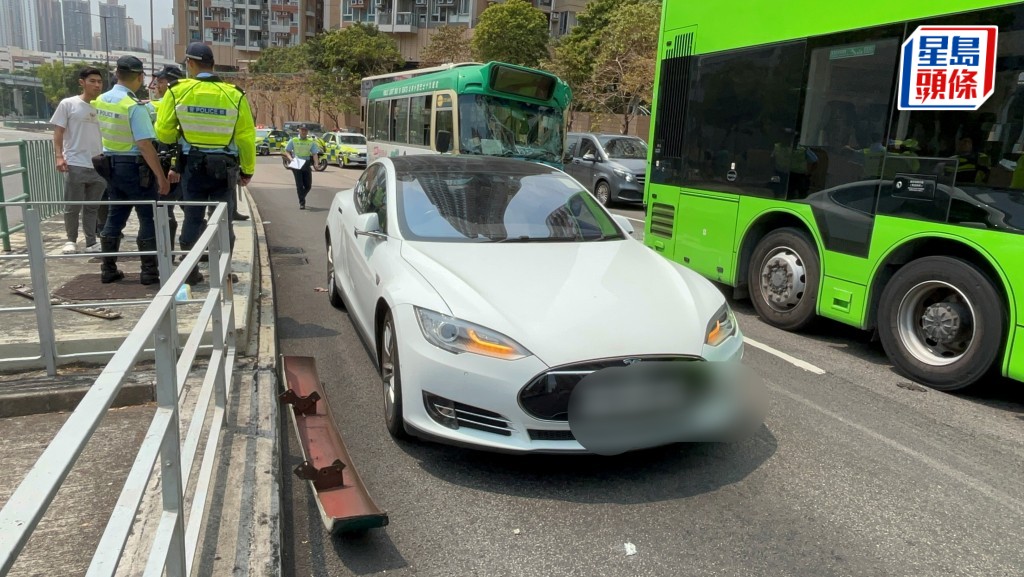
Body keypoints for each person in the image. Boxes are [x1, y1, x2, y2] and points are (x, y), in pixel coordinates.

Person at [155, 42, 256, 285]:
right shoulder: (234, 94)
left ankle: (190, 273)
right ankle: (222, 273)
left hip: (192, 166)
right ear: (213, 64)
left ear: (190, 63)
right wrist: (247, 170)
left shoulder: (177, 91)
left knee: (192, 217)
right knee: (224, 219)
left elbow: (164, 133)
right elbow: (245, 137)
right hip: (225, 168)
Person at [93, 55, 170, 284]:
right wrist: (161, 177)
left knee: (115, 216)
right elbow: (145, 145)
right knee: (148, 217)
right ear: (139, 76)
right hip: (136, 168)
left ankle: (108, 268)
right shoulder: (133, 106)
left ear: (117, 74)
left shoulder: (102, 100)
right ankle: (148, 272)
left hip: (111, 166)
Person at [50, 67, 107, 255]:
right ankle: (71, 240)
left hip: (99, 165)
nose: (97, 85)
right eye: (92, 81)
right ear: (82, 82)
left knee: (92, 208)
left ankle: (91, 242)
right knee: (72, 206)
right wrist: (59, 156)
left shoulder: (103, 106)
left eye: (99, 81)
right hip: (76, 162)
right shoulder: (68, 104)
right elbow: (58, 132)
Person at [146, 64, 187, 260]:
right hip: (172, 167)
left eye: (160, 82)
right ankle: (193, 253)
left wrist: (173, 166)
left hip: (173, 169)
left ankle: (170, 256)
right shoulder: (164, 103)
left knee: (167, 211)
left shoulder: (173, 104)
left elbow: (177, 139)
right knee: (190, 210)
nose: (156, 86)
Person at [282, 125, 320, 210]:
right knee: (299, 185)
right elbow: (287, 151)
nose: (304, 132)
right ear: (299, 131)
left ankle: (301, 195)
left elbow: (314, 153)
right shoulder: (294, 140)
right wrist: (291, 158)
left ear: (307, 132)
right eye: (302, 130)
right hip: (296, 163)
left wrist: (316, 164)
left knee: (308, 185)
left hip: (306, 163)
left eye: (305, 130)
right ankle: (302, 202)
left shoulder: (311, 141)